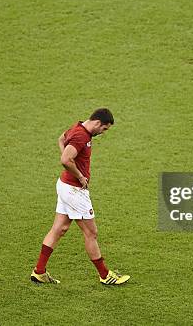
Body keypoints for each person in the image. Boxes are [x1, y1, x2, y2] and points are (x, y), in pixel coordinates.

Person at [30, 108, 130, 285]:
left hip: (65, 186)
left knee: (59, 229)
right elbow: (65, 160)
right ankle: (105, 275)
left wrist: (70, 163)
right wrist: (80, 175)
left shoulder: (77, 127)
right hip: (74, 190)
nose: (103, 133)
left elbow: (61, 139)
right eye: (105, 129)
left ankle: (39, 271)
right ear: (98, 123)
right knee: (91, 232)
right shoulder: (81, 136)